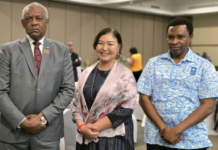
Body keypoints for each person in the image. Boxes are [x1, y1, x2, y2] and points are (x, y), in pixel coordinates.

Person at [0, 2, 74, 150]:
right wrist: (22, 121)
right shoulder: (7, 51)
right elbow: (1, 91)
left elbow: (68, 89)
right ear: (22, 23)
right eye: (29, 19)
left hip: (48, 133)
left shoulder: (62, 51)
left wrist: (43, 118)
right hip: (13, 134)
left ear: (47, 23)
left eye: (39, 18)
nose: (34, 22)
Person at [137, 17, 218, 150]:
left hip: (192, 139)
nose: (174, 41)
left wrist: (176, 130)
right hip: (157, 137)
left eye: (180, 37)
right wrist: (164, 129)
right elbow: (144, 98)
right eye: (170, 37)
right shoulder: (154, 63)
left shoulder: (204, 66)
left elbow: (208, 105)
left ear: (190, 37)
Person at [71, 27, 137, 150]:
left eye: (110, 44)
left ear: (118, 47)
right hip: (85, 135)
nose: (104, 48)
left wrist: (92, 128)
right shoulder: (87, 73)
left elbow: (126, 109)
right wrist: (82, 128)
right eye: (100, 43)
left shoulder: (125, 75)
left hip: (112, 139)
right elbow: (76, 104)